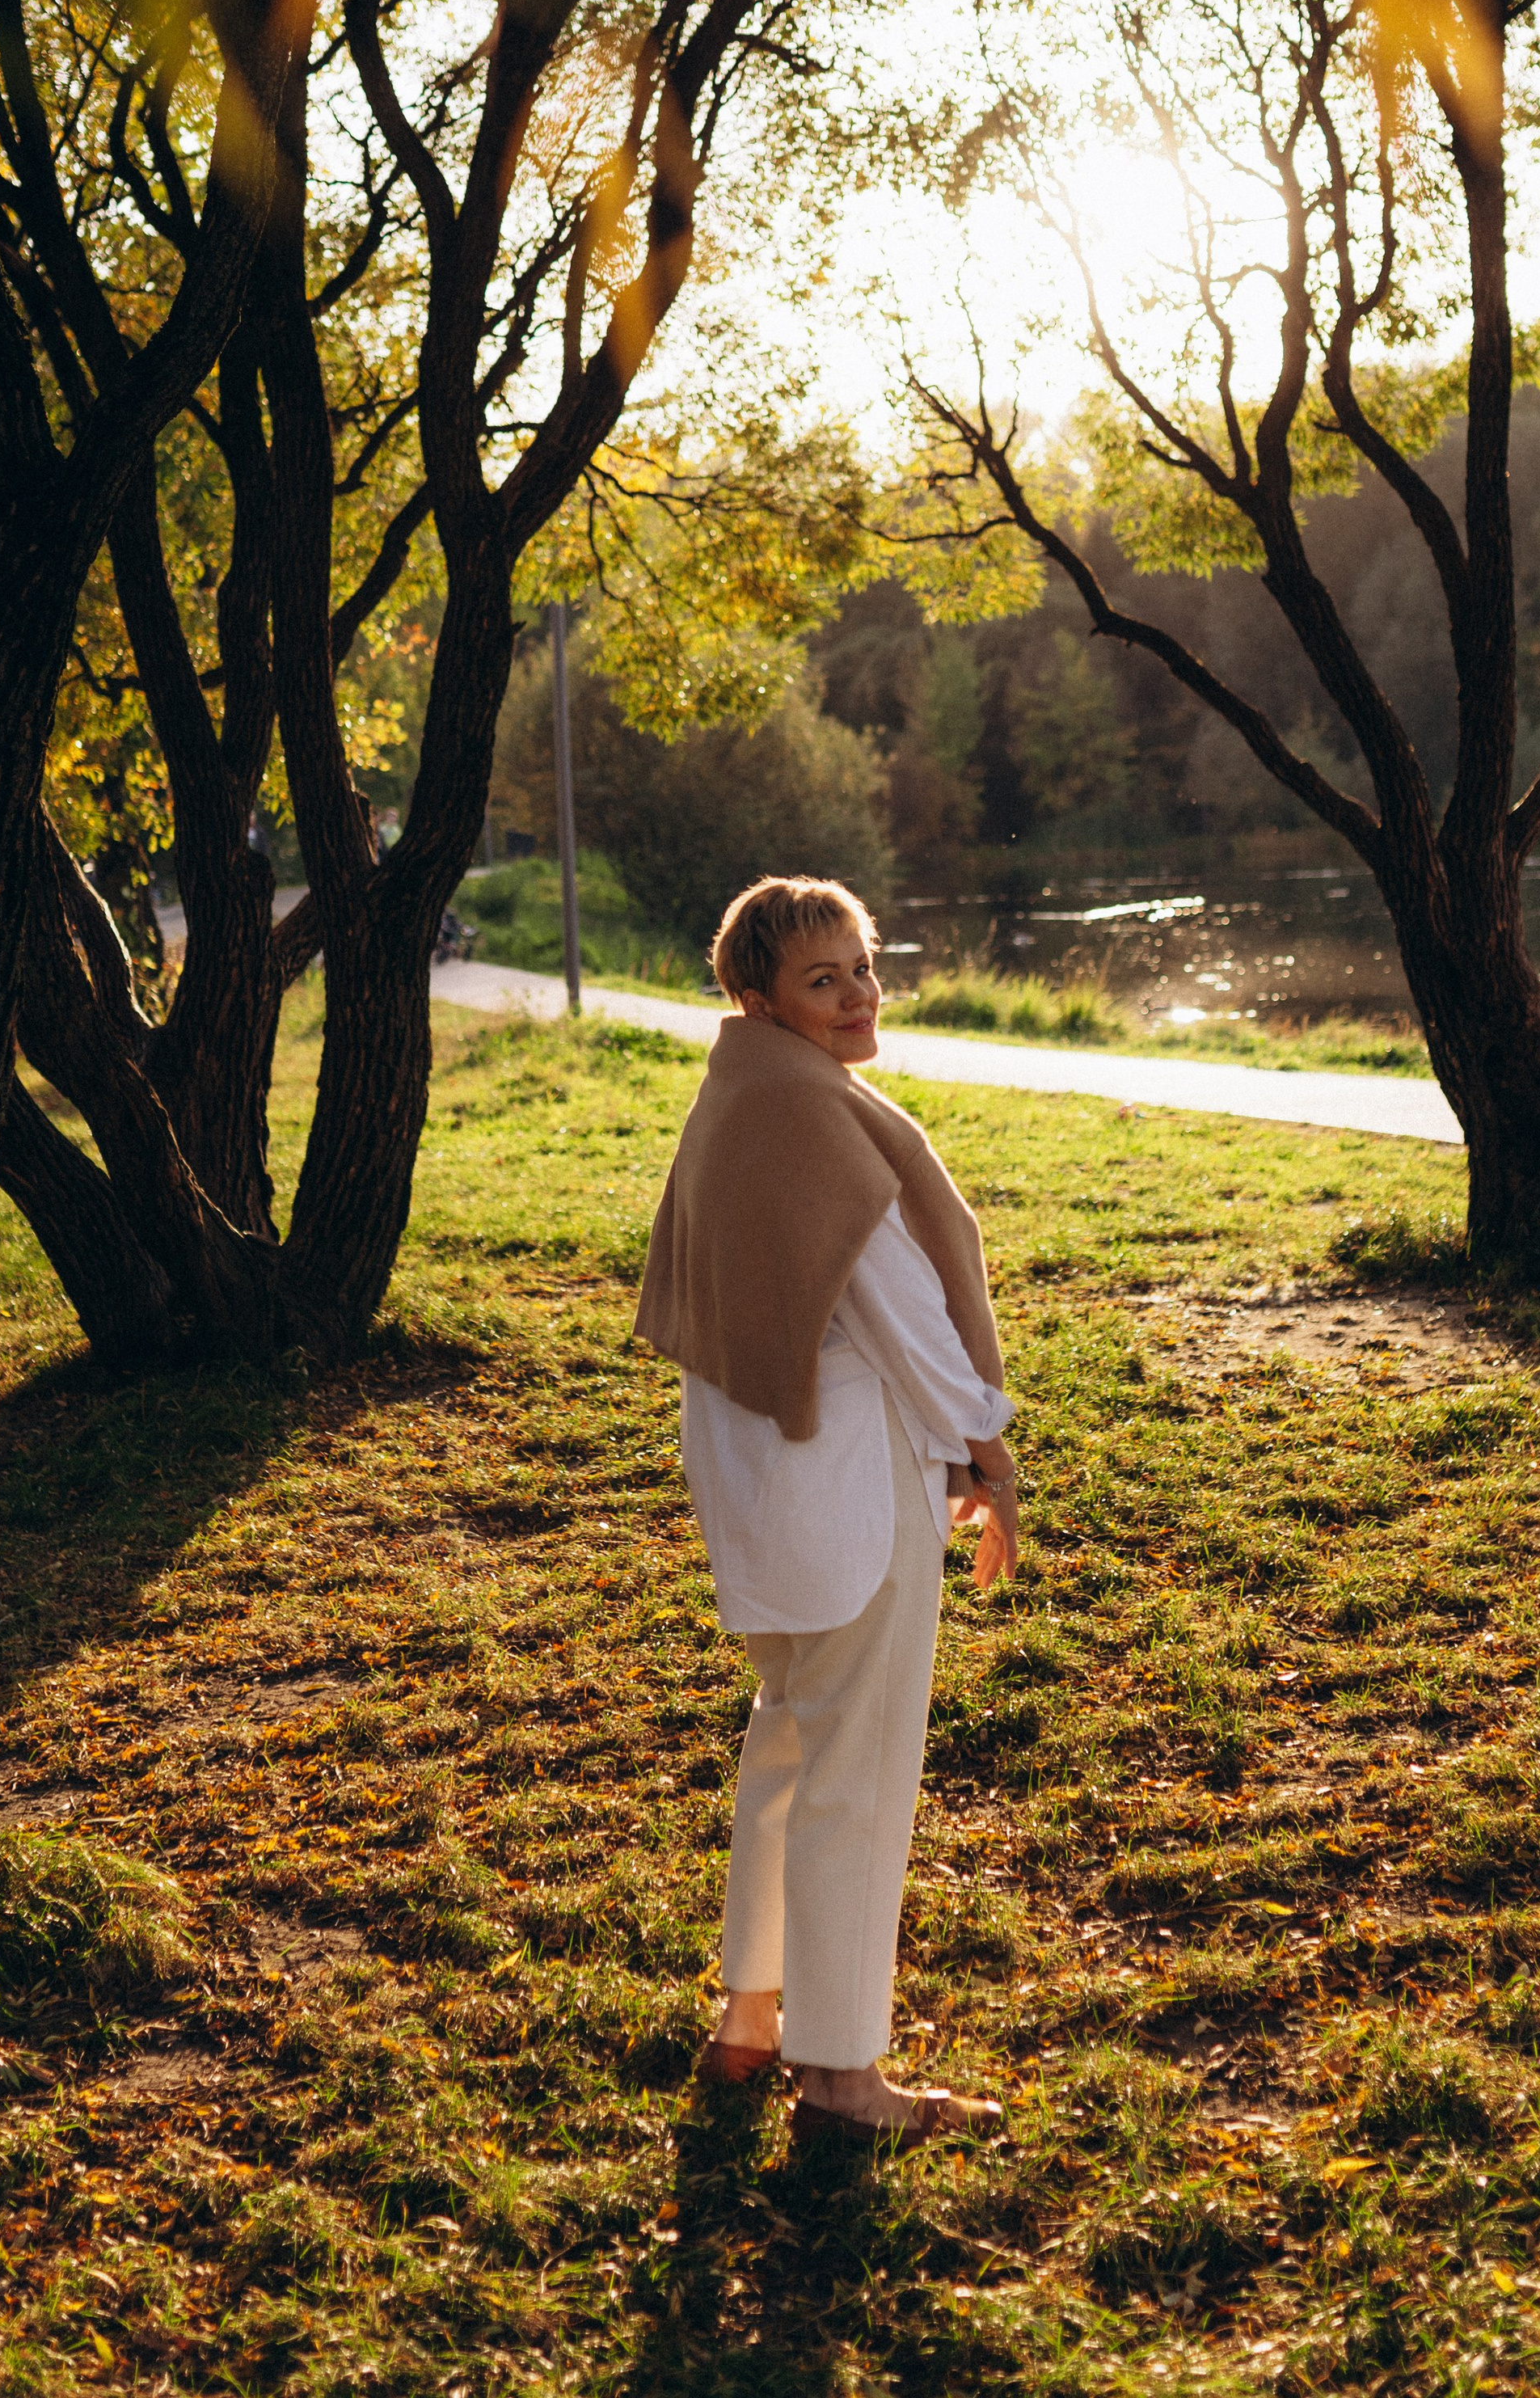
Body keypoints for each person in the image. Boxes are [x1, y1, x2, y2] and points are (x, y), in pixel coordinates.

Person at [635, 874, 1019, 2147]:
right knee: (856, 1778)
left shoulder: (739, 1099)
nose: (858, 994)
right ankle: (845, 2082)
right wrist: (990, 1449)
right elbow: (908, 1320)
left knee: (789, 1749)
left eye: (864, 965)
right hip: (855, 1503)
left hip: (769, 1502)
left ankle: (751, 2015)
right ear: (758, 994)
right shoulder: (812, 1127)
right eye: (823, 978)